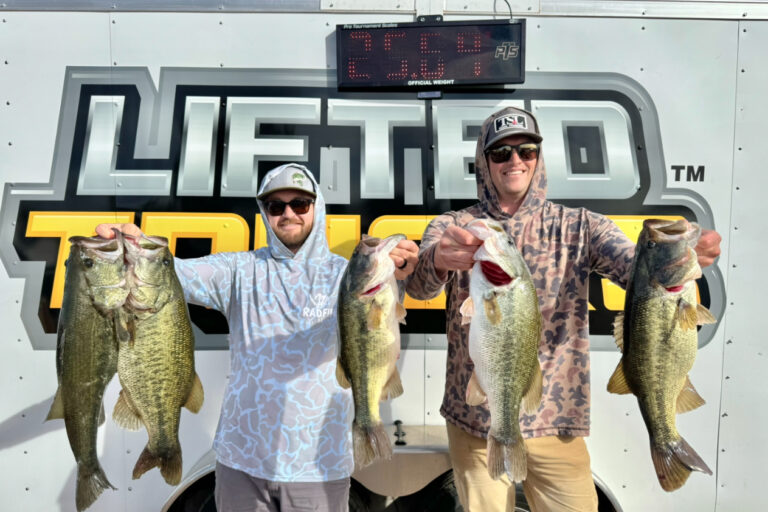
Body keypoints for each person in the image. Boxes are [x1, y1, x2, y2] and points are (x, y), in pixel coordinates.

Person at [405, 107, 721, 512]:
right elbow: (419, 286)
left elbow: (633, 269)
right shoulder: (455, 225)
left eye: (526, 150)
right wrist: (438, 261)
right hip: (477, 423)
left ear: (539, 157)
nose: (514, 161)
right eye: (500, 153)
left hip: (558, 421)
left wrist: (674, 260)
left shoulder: (582, 226)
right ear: (483, 164)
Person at [97, 163, 419, 512]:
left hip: (320, 463)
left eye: (300, 203)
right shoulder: (238, 270)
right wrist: (133, 250)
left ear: (317, 207)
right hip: (242, 461)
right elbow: (175, 274)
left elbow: (394, 303)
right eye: (275, 206)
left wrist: (400, 261)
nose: (288, 214)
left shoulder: (348, 275)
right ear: (264, 213)